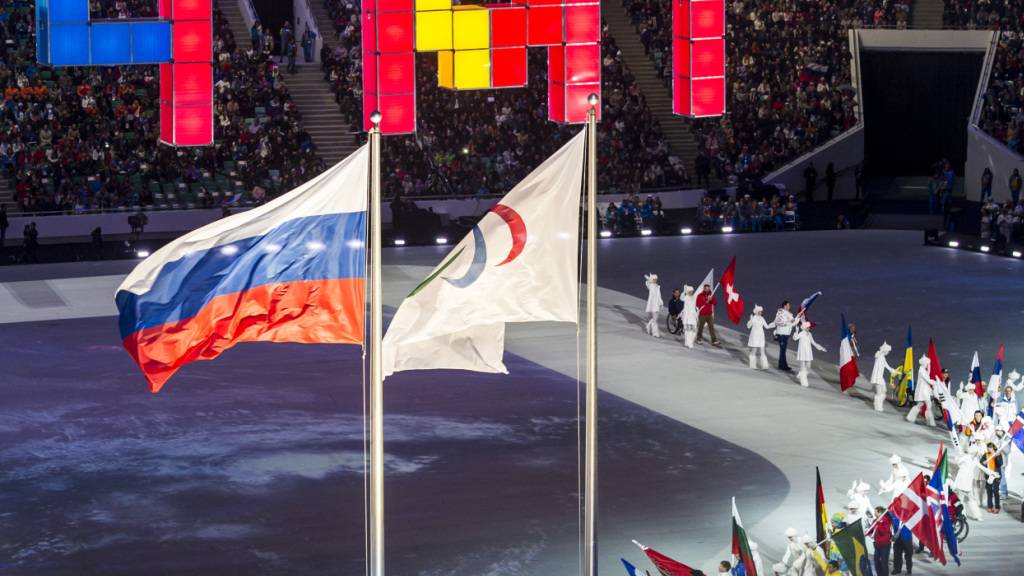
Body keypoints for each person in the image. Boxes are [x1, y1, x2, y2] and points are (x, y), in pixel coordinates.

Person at [792, 321, 826, 388]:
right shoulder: (801, 333)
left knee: (808, 366)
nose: (809, 328)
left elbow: (813, 343)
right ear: (804, 328)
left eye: (809, 327)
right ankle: (803, 381)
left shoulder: (810, 334)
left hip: (808, 352)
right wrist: (796, 331)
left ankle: (801, 374)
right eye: (807, 327)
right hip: (802, 352)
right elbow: (795, 338)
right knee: (802, 367)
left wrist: (821, 348)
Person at [906, 355, 936, 426]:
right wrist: (935, 382)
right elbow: (928, 379)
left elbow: (928, 374)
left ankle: (911, 417)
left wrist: (929, 366)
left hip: (925, 389)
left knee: (921, 404)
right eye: (927, 363)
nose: (928, 365)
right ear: (924, 363)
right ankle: (930, 421)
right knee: (928, 404)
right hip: (923, 390)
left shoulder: (923, 370)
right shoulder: (921, 370)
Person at [746, 305, 775, 369]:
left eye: (761, 311)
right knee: (754, 350)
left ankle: (764, 365)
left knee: (762, 350)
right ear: (756, 312)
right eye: (760, 311)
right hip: (755, 335)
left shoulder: (762, 318)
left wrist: (774, 323)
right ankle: (752, 365)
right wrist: (751, 320)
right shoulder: (753, 318)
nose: (761, 313)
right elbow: (748, 326)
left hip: (761, 336)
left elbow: (767, 326)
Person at [871, 342, 897, 412]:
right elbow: (876, 355)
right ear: (885, 350)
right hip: (877, 378)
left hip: (880, 378)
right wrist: (881, 350)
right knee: (879, 393)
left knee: (884, 392)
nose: (888, 353)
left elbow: (887, 367)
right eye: (888, 351)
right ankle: (877, 406)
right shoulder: (879, 354)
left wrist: (894, 371)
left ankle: (878, 405)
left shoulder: (883, 358)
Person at [773, 301, 795, 371]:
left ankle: (782, 365)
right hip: (782, 334)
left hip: (786, 334)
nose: (789, 306)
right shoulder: (780, 312)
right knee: (783, 350)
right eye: (788, 305)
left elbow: (793, 321)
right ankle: (783, 366)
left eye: (789, 305)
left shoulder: (789, 313)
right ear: (784, 306)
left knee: (783, 350)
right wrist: (787, 322)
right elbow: (777, 322)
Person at [870, 506, 892, 576]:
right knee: (876, 561)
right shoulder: (875, 520)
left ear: (880, 513)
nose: (874, 513)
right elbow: (872, 529)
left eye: (875, 512)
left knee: (884, 562)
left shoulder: (886, 521)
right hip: (877, 544)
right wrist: (867, 532)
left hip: (885, 545)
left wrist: (879, 523)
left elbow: (883, 532)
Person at [982, 441, 1004, 513]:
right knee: (989, 491)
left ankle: (997, 507)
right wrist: (983, 463)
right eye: (987, 448)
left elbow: (1000, 464)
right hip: (988, 475)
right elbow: (981, 462)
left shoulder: (998, 454)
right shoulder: (986, 454)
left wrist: (997, 456)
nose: (988, 449)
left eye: (990, 448)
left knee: (995, 491)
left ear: (993, 448)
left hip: (996, 475)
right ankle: (990, 506)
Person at [644, 273, 663, 338]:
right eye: (654, 279)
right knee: (655, 319)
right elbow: (647, 283)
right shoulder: (650, 285)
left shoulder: (657, 286)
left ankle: (648, 326)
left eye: (656, 279)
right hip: (652, 304)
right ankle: (655, 333)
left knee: (655, 318)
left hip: (657, 304)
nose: (655, 280)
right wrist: (649, 279)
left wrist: (661, 303)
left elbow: (659, 295)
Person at [680, 284, 699, 348]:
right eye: (689, 291)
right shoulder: (686, 297)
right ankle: (689, 343)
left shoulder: (694, 297)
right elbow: (681, 298)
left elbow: (694, 306)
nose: (691, 292)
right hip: (687, 316)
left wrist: (696, 312)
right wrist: (684, 291)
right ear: (688, 292)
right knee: (688, 330)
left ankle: (689, 342)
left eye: (692, 291)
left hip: (693, 316)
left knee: (694, 330)